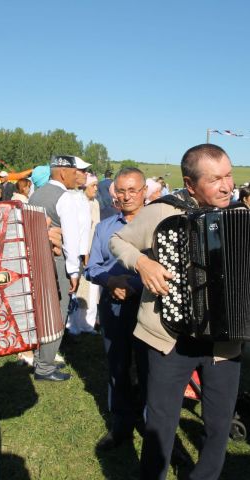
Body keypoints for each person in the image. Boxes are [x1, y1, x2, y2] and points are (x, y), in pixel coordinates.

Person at [109, 144, 250, 479]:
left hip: (225, 345)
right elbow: (118, 241)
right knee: (161, 421)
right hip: (168, 339)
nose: (228, 185)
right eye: (216, 179)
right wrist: (141, 262)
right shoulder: (162, 212)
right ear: (190, 183)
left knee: (218, 422)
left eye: (229, 175)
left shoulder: (247, 217)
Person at [87, 168, 148, 451]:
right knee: (118, 366)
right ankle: (121, 424)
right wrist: (110, 280)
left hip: (150, 308)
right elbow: (92, 267)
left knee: (151, 369)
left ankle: (153, 426)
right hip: (113, 307)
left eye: (132, 190)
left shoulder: (159, 225)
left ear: (144, 192)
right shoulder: (105, 226)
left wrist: (135, 284)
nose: (126, 196)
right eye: (121, 191)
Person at [28, 155, 83, 382]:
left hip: (35, 259)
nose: (77, 176)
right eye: (74, 172)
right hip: (56, 260)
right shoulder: (64, 198)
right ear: (63, 172)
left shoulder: (37, 193)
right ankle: (45, 366)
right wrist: (74, 271)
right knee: (57, 312)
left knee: (40, 311)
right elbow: (70, 239)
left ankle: (39, 357)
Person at [68, 173, 102, 335]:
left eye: (96, 185)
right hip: (82, 252)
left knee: (91, 290)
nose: (96, 188)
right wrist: (84, 253)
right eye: (93, 185)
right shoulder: (78, 203)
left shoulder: (94, 203)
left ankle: (87, 324)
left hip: (93, 250)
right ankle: (74, 325)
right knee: (79, 290)